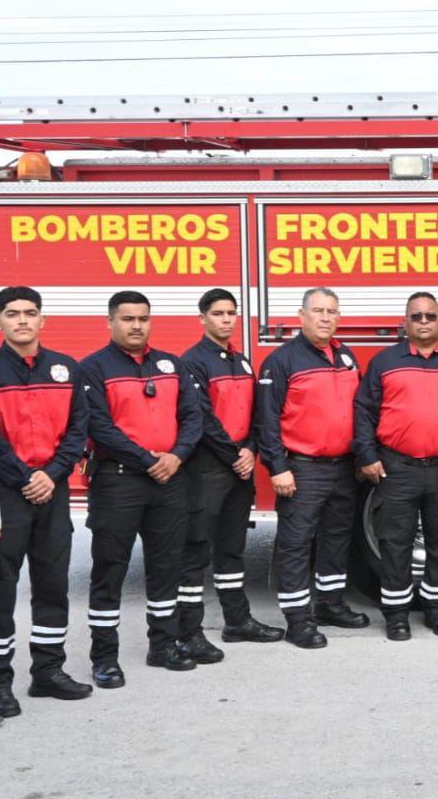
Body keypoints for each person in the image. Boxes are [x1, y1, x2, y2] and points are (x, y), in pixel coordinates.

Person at [80, 290, 203, 686]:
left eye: (143, 318)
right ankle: (104, 657)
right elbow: (98, 426)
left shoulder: (172, 364)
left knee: (166, 567)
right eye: (128, 318)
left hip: (169, 480)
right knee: (110, 569)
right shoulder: (92, 368)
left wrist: (178, 455)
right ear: (110, 322)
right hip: (118, 481)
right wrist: (149, 460)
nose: (136, 325)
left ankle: (163, 645)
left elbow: (192, 416)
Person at [0, 286, 92, 717]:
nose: (23, 320)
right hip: (5, 493)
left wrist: (50, 476)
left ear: (43, 320)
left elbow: (78, 429)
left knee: (52, 584)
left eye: (31, 313)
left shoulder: (65, 368)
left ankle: (48, 672)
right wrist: (25, 478)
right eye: (12, 314)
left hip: (52, 492)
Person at [356, 292, 438, 641]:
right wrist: (367, 456)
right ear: (405, 323)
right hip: (397, 467)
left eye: (430, 316)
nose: (424, 322)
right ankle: (396, 614)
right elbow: (363, 410)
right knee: (396, 542)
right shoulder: (385, 362)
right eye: (417, 316)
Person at [256, 286, 368, 649]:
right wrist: (277, 467)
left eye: (331, 311)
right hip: (301, 468)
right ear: (301, 316)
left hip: (341, 466)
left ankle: (330, 604)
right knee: (296, 543)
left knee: (336, 539)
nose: (325, 317)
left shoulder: (345, 356)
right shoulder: (282, 360)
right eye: (317, 311)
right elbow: (267, 419)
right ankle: (298, 619)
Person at [177, 288, 283, 659]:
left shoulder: (241, 361)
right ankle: (187, 632)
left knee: (231, 548)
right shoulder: (192, 362)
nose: (226, 319)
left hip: (239, 467)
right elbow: (200, 418)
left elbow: (256, 413)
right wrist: (234, 454)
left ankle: (237, 621)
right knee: (196, 550)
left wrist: (251, 450)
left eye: (231, 313)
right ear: (202, 318)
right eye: (218, 313)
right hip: (207, 469)